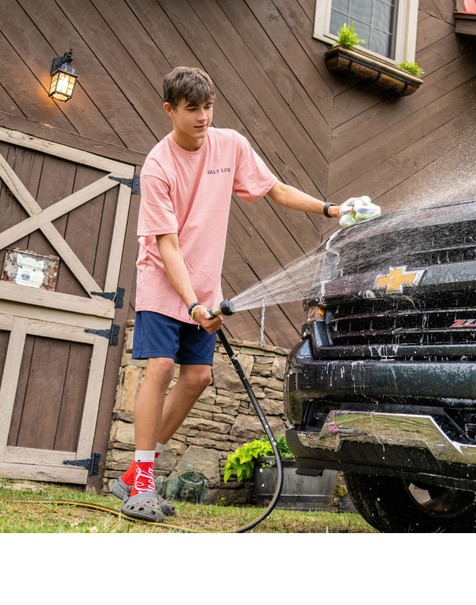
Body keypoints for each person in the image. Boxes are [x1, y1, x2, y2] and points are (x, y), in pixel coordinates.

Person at [112, 66, 371, 522]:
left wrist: (332, 209)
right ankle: (146, 477)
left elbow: (276, 190)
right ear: (170, 110)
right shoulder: (158, 165)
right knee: (161, 366)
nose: (203, 117)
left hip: (205, 289)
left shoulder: (229, 145)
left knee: (197, 379)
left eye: (208, 107)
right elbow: (166, 245)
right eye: (192, 109)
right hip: (163, 283)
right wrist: (190, 302)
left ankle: (137, 470)